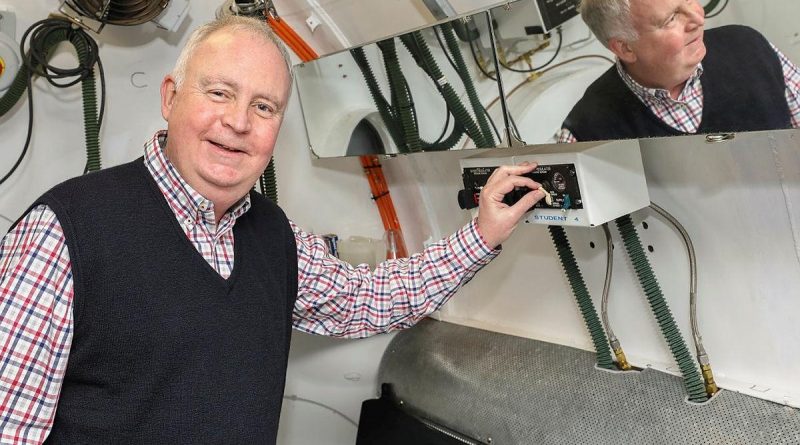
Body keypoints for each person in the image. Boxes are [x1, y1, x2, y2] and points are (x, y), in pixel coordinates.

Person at [0, 15, 546, 444]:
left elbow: (367, 299)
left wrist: (480, 234)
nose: (239, 122)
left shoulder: (273, 235)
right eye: (218, 93)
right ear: (170, 98)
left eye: (264, 106)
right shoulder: (62, 233)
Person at [557, 0, 800, 143]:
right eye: (671, 18)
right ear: (625, 47)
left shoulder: (749, 46)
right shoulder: (586, 133)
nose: (698, 18)